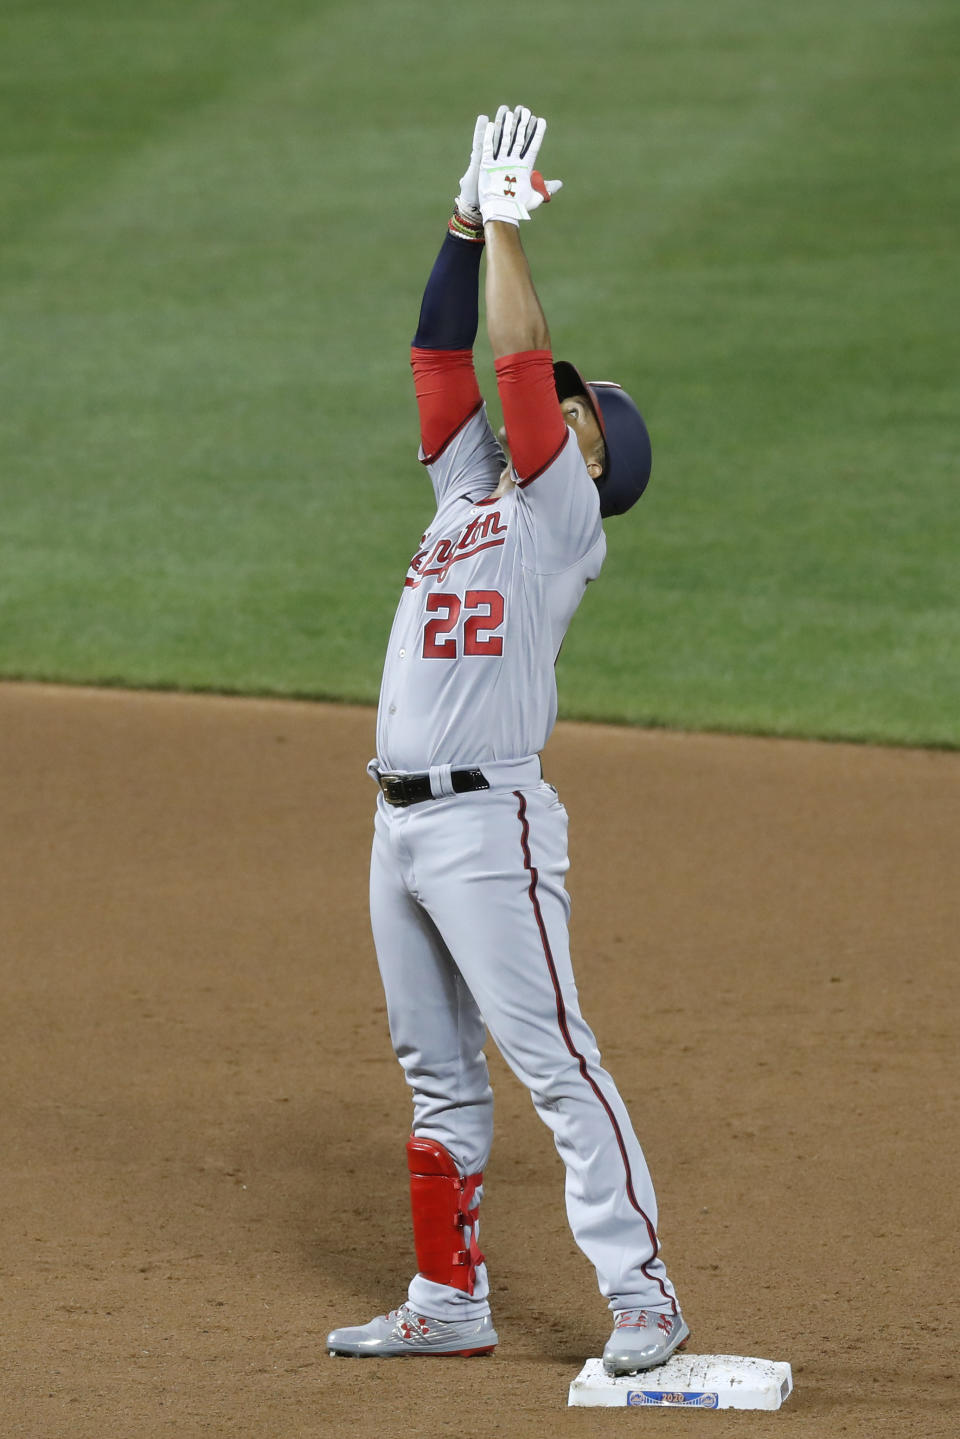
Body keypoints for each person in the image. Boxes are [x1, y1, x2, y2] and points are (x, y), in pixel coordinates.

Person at [326, 106, 688, 1375]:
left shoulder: (562, 513)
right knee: (436, 1072)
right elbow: (442, 356)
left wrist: (514, 228)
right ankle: (448, 1296)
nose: (562, 404)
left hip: (490, 822)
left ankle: (643, 1297)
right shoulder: (468, 491)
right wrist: (462, 224)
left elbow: (519, 370)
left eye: (585, 411)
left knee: (551, 1057)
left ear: (600, 459)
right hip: (400, 818)